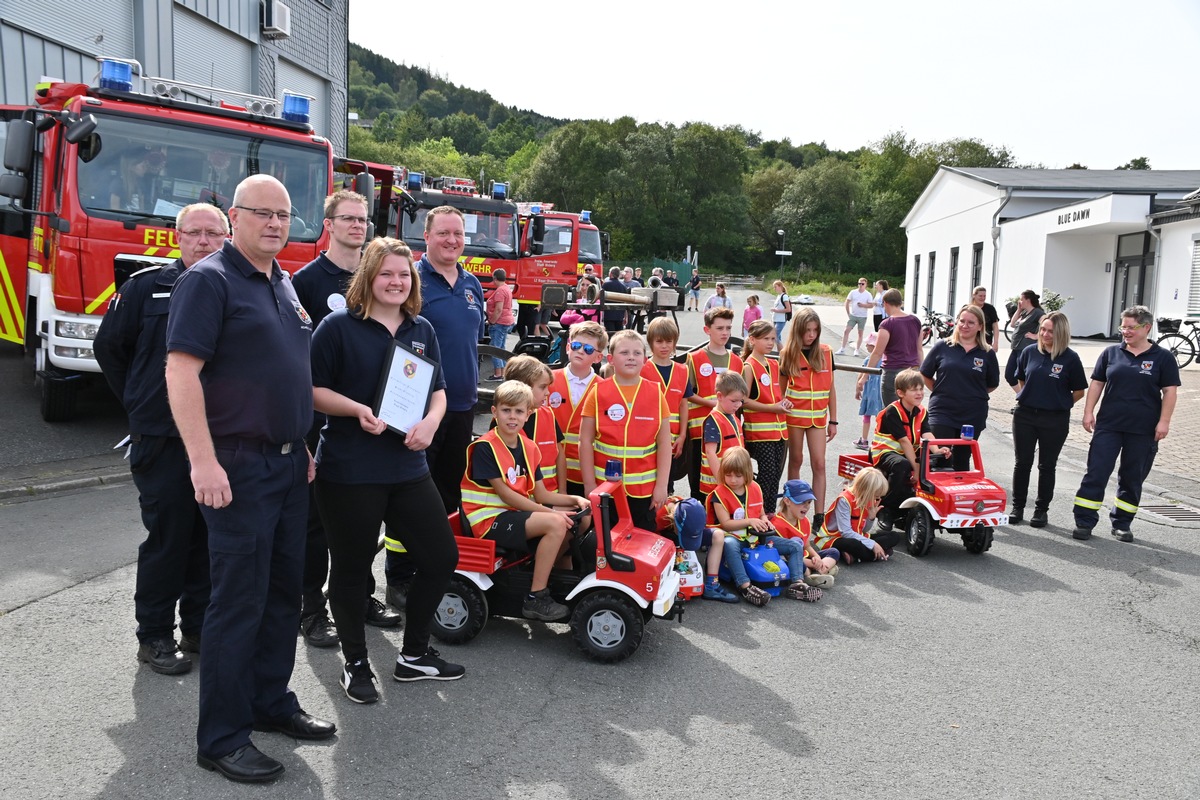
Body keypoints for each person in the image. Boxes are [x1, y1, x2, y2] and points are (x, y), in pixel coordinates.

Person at [165, 176, 335, 784]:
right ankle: (222, 737)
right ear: (235, 216)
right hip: (237, 466)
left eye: (284, 214)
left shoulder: (283, 281)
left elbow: (289, 373)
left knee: (281, 593)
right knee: (236, 600)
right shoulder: (208, 281)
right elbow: (181, 371)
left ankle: (270, 701)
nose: (274, 223)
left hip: (290, 465)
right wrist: (202, 460)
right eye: (262, 213)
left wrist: (304, 447)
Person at [310, 238, 464, 705]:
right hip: (350, 470)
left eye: (404, 275)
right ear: (368, 278)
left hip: (407, 466)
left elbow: (438, 389)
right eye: (387, 274)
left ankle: (414, 654)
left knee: (440, 559)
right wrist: (355, 408)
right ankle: (356, 663)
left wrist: (433, 421)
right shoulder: (338, 327)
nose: (396, 282)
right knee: (353, 570)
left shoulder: (422, 329)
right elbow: (310, 389)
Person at [94, 203, 227, 675]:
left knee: (207, 540)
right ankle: (153, 635)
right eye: (195, 233)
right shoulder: (145, 288)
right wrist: (140, 402)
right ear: (178, 236)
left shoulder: (233, 290)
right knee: (168, 538)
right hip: (162, 438)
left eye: (215, 234)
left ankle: (195, 629)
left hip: (219, 439)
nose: (204, 242)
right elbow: (110, 349)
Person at [291, 190, 399, 649]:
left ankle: (360, 596)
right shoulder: (305, 281)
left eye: (363, 220)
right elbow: (293, 354)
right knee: (317, 523)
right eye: (348, 219)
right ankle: (311, 608)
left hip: (376, 423)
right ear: (328, 224)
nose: (358, 226)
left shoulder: (379, 277)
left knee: (365, 520)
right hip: (320, 423)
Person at [385, 206, 484, 609]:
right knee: (408, 496)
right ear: (426, 237)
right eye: (443, 233)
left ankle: (433, 571)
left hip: (461, 407)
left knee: (445, 494)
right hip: (419, 410)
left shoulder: (472, 283)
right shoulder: (411, 281)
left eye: (457, 233)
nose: (451, 240)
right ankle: (398, 576)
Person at [462, 381, 592, 621]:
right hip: (487, 520)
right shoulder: (485, 447)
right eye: (506, 410)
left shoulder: (528, 447)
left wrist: (575, 498)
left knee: (580, 518)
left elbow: (541, 494)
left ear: (528, 414)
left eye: (519, 411)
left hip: (512, 514)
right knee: (555, 523)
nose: (512, 417)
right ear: (494, 412)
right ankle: (536, 598)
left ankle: (544, 575)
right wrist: (550, 514)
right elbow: (507, 495)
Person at [1071, 305, 1180, 543]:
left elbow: (1169, 391)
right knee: (1096, 472)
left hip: (1143, 429)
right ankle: (1084, 521)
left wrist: (1164, 422)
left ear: (1147, 328)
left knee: (1132, 478)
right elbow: (1097, 383)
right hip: (1109, 425)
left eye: (1131, 327)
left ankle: (1122, 524)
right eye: (1123, 327)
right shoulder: (1111, 353)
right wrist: (1088, 412)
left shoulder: (1163, 357)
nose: (1125, 332)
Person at [580, 330, 672, 531]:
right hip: (605, 489)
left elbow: (665, 443)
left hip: (644, 492)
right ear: (610, 359)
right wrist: (588, 484)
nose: (631, 357)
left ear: (645, 359)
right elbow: (585, 441)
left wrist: (662, 486)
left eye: (637, 353)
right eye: (624, 352)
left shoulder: (656, 393)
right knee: (605, 546)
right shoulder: (597, 393)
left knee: (641, 546)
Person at [707, 447, 821, 604]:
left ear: (746, 473)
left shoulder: (755, 488)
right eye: (728, 475)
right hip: (734, 536)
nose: (733, 480)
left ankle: (797, 584)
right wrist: (749, 521)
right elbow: (725, 525)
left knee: (795, 546)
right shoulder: (718, 494)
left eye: (738, 476)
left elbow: (760, 512)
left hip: (756, 537)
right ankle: (745, 586)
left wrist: (764, 520)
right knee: (730, 544)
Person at [1010, 312, 1088, 527]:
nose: (1044, 334)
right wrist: (1029, 396)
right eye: (1042, 329)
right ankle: (1017, 507)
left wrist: (1060, 403)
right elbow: (1020, 378)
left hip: (1054, 419)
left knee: (1047, 466)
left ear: (1061, 333)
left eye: (1050, 331)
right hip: (1025, 415)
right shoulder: (1028, 352)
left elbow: (1079, 390)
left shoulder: (1070, 358)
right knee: (1022, 463)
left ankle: (1041, 510)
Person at [868, 368, 951, 533]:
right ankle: (886, 509)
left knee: (945, 458)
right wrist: (917, 467)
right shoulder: (893, 411)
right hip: (885, 453)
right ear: (900, 393)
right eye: (914, 390)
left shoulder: (921, 411)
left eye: (921, 389)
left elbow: (927, 434)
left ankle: (938, 501)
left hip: (907, 452)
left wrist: (938, 450)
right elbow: (904, 441)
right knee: (902, 465)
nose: (919, 393)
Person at [919, 305, 1000, 471]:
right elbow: (925, 373)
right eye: (962, 321)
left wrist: (971, 393)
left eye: (971, 322)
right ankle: (936, 496)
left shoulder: (987, 353)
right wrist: (940, 390)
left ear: (980, 326)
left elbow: (992, 384)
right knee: (940, 457)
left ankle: (959, 497)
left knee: (962, 460)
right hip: (943, 410)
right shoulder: (943, 346)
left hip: (972, 414)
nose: (965, 325)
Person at [779, 307, 837, 529]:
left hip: (818, 418)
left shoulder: (826, 352)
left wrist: (834, 420)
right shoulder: (787, 355)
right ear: (798, 331)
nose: (811, 335)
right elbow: (780, 391)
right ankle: (792, 511)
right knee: (796, 460)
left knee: (820, 464)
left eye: (815, 330)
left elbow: (830, 387)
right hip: (793, 418)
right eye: (807, 330)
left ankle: (819, 516)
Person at [685, 307, 743, 500]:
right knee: (697, 480)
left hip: (727, 433)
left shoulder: (737, 361)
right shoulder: (694, 358)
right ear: (707, 330)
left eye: (728, 328)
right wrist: (711, 403)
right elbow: (687, 394)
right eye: (719, 328)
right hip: (699, 429)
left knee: (728, 479)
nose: (725, 332)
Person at [548, 320, 607, 495]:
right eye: (576, 345)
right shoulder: (548, 380)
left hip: (586, 474)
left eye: (588, 349)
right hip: (550, 471)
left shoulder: (604, 388)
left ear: (598, 357)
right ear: (567, 347)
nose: (580, 351)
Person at [740, 320, 791, 513]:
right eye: (766, 339)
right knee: (766, 474)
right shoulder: (749, 366)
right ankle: (757, 512)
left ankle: (770, 514)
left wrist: (785, 403)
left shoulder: (773, 364)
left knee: (776, 475)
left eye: (773, 338)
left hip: (779, 431)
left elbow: (778, 395)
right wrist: (773, 408)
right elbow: (743, 401)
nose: (771, 343)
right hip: (760, 433)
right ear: (752, 340)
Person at [501, 355, 566, 492]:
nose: (548, 393)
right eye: (543, 387)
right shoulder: (501, 421)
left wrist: (563, 493)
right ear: (524, 387)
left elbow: (560, 455)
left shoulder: (548, 414)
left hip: (550, 497)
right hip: (520, 503)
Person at [656, 495, 738, 602]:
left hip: (680, 538)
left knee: (718, 535)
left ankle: (711, 585)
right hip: (664, 541)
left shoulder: (695, 511)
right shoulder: (659, 516)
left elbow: (699, 529)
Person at [813, 467, 897, 564]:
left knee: (894, 536)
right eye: (876, 495)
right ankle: (877, 553)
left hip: (857, 536)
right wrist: (873, 544)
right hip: (835, 538)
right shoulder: (844, 500)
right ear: (866, 491)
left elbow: (864, 530)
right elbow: (846, 532)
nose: (877, 499)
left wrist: (871, 518)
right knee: (855, 545)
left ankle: (857, 556)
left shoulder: (867, 499)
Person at [860, 288, 923, 411]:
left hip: (893, 373)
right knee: (910, 412)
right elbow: (919, 349)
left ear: (886, 304)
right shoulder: (915, 321)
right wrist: (921, 372)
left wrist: (864, 376)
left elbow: (877, 353)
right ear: (900, 303)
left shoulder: (887, 324)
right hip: (913, 372)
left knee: (892, 413)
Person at [642, 317, 693, 466]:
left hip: (673, 438)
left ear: (675, 343)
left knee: (668, 482)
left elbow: (683, 405)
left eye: (669, 341)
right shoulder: (642, 369)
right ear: (651, 343)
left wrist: (682, 436)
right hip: (647, 438)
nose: (664, 346)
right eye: (659, 341)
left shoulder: (683, 370)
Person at [771, 479, 840, 588]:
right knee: (797, 565)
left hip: (806, 558)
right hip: (792, 561)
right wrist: (812, 563)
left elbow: (807, 545)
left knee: (834, 552)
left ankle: (817, 573)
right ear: (787, 501)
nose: (806, 506)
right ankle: (819, 572)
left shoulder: (804, 521)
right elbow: (784, 556)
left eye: (808, 502)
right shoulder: (776, 524)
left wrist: (816, 557)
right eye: (802, 502)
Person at [699, 371, 748, 500]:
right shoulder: (713, 420)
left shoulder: (733, 418)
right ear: (719, 396)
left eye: (740, 401)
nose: (738, 405)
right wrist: (722, 482)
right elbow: (710, 453)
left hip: (733, 484)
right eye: (734, 401)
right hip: (716, 488)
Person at [1005, 290, 1045, 387]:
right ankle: (1021, 395)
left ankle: (1025, 397)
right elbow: (1012, 324)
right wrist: (1018, 310)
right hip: (1016, 348)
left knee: (1023, 376)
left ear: (1028, 300)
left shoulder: (1037, 312)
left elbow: (1047, 323)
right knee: (1010, 375)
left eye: (1022, 299)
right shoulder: (1025, 313)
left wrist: (1036, 336)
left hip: (1025, 348)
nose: (1020, 301)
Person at [109, 144, 164, 211]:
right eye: (143, 166)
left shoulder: (141, 184)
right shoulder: (118, 184)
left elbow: (141, 210)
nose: (145, 169)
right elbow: (114, 209)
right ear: (131, 167)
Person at [854, 332, 883, 450]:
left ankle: (864, 439)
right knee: (879, 417)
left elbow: (861, 374)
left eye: (869, 344)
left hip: (869, 392)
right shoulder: (885, 360)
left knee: (867, 416)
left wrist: (857, 388)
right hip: (879, 393)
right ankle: (878, 441)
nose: (866, 346)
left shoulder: (867, 360)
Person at [486, 268, 516, 380]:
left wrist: (492, 321)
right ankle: (502, 373)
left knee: (495, 348)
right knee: (501, 348)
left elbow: (498, 309)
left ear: (494, 278)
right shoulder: (507, 288)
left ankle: (497, 374)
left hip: (499, 322)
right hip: (507, 321)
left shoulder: (499, 291)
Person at [836, 277, 874, 356]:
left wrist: (863, 305)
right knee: (846, 331)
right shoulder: (853, 292)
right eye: (859, 283)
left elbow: (871, 305)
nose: (860, 285)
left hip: (862, 316)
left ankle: (857, 350)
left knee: (860, 333)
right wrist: (848, 313)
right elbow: (847, 302)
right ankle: (842, 348)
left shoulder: (868, 294)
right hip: (853, 315)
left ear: (866, 285)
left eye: (862, 284)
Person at [601, 266, 627, 333]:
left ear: (611, 274)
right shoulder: (623, 287)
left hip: (608, 315)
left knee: (610, 335)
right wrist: (625, 316)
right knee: (619, 335)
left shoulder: (606, 285)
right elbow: (625, 303)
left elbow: (601, 298)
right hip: (620, 316)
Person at [771, 280, 792, 346]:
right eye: (774, 287)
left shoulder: (784, 296)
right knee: (778, 338)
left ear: (780, 286)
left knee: (774, 336)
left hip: (781, 320)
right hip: (776, 319)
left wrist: (776, 310)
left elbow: (788, 309)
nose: (774, 289)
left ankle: (782, 352)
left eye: (775, 287)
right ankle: (780, 353)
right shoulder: (778, 296)